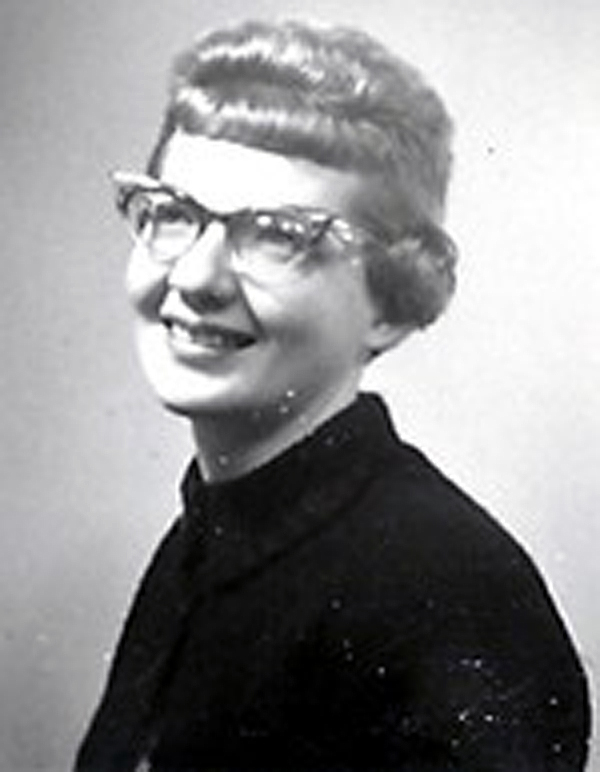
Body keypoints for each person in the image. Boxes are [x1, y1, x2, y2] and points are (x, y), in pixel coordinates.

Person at [75, 19, 590, 771]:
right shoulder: (200, 544)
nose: (195, 277)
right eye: (175, 215)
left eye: (276, 235)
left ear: (391, 303)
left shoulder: (450, 590)